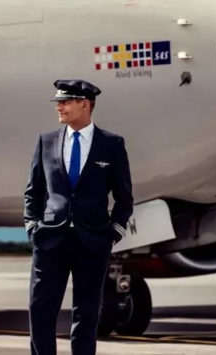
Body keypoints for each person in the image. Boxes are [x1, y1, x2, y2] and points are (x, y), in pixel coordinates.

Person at [23, 79, 133, 354]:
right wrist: (32, 227)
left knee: (86, 315)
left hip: (92, 242)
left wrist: (113, 233)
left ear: (85, 104)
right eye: (58, 101)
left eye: (65, 101)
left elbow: (124, 198)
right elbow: (33, 192)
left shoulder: (111, 144)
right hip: (49, 240)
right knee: (40, 312)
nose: (59, 106)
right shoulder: (45, 141)